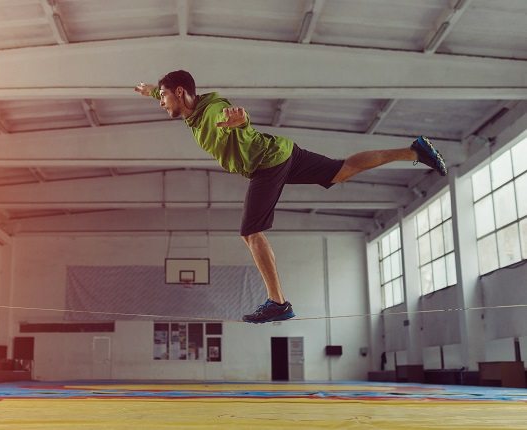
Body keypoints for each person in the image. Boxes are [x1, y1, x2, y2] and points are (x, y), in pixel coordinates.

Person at [135, 70, 447, 324]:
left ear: (179, 92)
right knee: (342, 171)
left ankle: (278, 302)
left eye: (162, 96)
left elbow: (236, 119)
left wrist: (240, 120)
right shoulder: (193, 109)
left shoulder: (214, 111)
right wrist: (150, 89)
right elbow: (171, 96)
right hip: (283, 152)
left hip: (266, 164)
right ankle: (413, 151)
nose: (160, 102)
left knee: (250, 232)